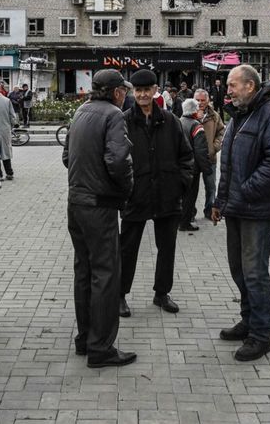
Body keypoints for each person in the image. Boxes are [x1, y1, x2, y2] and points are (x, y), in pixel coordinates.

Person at [211, 65, 270, 361]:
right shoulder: (238, 117)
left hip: (257, 209)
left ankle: (261, 335)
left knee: (255, 272)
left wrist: (245, 190)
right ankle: (247, 321)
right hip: (235, 207)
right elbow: (228, 164)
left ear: (250, 86)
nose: (228, 90)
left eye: (233, 85)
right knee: (239, 269)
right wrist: (220, 201)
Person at [61, 69, 136, 367]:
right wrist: (126, 189)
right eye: (125, 91)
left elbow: (67, 157)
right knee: (106, 275)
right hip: (99, 206)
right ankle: (101, 348)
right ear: (117, 92)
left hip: (76, 203)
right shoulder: (114, 115)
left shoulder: (81, 111)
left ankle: (85, 339)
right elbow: (118, 161)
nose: (126, 96)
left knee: (84, 271)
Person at [119, 69, 194, 316]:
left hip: (166, 195)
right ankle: (120, 295)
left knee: (167, 248)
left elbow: (186, 156)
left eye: (146, 90)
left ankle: (162, 293)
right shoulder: (124, 121)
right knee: (127, 249)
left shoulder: (170, 120)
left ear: (154, 91)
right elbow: (116, 160)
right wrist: (124, 190)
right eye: (138, 91)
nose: (142, 95)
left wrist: (180, 184)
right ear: (133, 92)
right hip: (136, 195)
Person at [179, 98, 212, 232]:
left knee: (181, 195)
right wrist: (207, 169)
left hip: (178, 167)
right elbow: (200, 150)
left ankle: (179, 220)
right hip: (193, 168)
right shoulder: (196, 126)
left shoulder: (177, 122)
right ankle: (185, 223)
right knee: (190, 196)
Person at [194, 88, 224, 220]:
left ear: (208, 101)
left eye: (202, 100)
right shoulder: (188, 113)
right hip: (193, 159)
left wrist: (215, 146)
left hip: (209, 157)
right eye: (197, 100)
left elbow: (222, 132)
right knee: (191, 189)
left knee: (211, 187)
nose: (200, 103)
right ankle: (190, 213)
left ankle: (208, 211)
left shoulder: (214, 115)